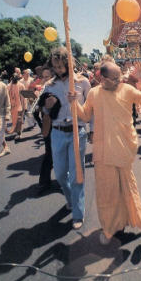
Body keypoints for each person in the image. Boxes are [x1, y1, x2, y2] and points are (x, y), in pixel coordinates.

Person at [75, 61, 141, 245]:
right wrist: (74, 103)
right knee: (107, 192)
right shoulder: (94, 93)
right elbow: (85, 116)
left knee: (126, 188)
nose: (119, 80)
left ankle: (130, 221)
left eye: (120, 77)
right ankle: (110, 229)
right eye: (115, 78)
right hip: (103, 151)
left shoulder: (126, 89)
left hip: (124, 147)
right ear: (102, 78)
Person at [43, 47, 91, 230]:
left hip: (77, 131)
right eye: (55, 66)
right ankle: (70, 198)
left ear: (68, 64)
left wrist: (92, 129)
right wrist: (47, 107)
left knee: (77, 174)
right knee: (61, 174)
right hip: (57, 132)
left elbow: (90, 110)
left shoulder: (83, 83)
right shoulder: (49, 85)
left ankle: (78, 213)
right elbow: (46, 112)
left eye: (61, 66)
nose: (58, 69)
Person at [7, 74, 25, 140]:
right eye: (13, 77)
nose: (14, 78)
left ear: (17, 78)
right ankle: (16, 131)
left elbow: (23, 97)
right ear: (11, 78)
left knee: (19, 119)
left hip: (19, 105)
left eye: (16, 77)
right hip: (12, 106)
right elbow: (6, 97)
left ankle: (19, 133)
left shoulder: (21, 85)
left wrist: (24, 106)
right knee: (14, 120)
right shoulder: (8, 86)